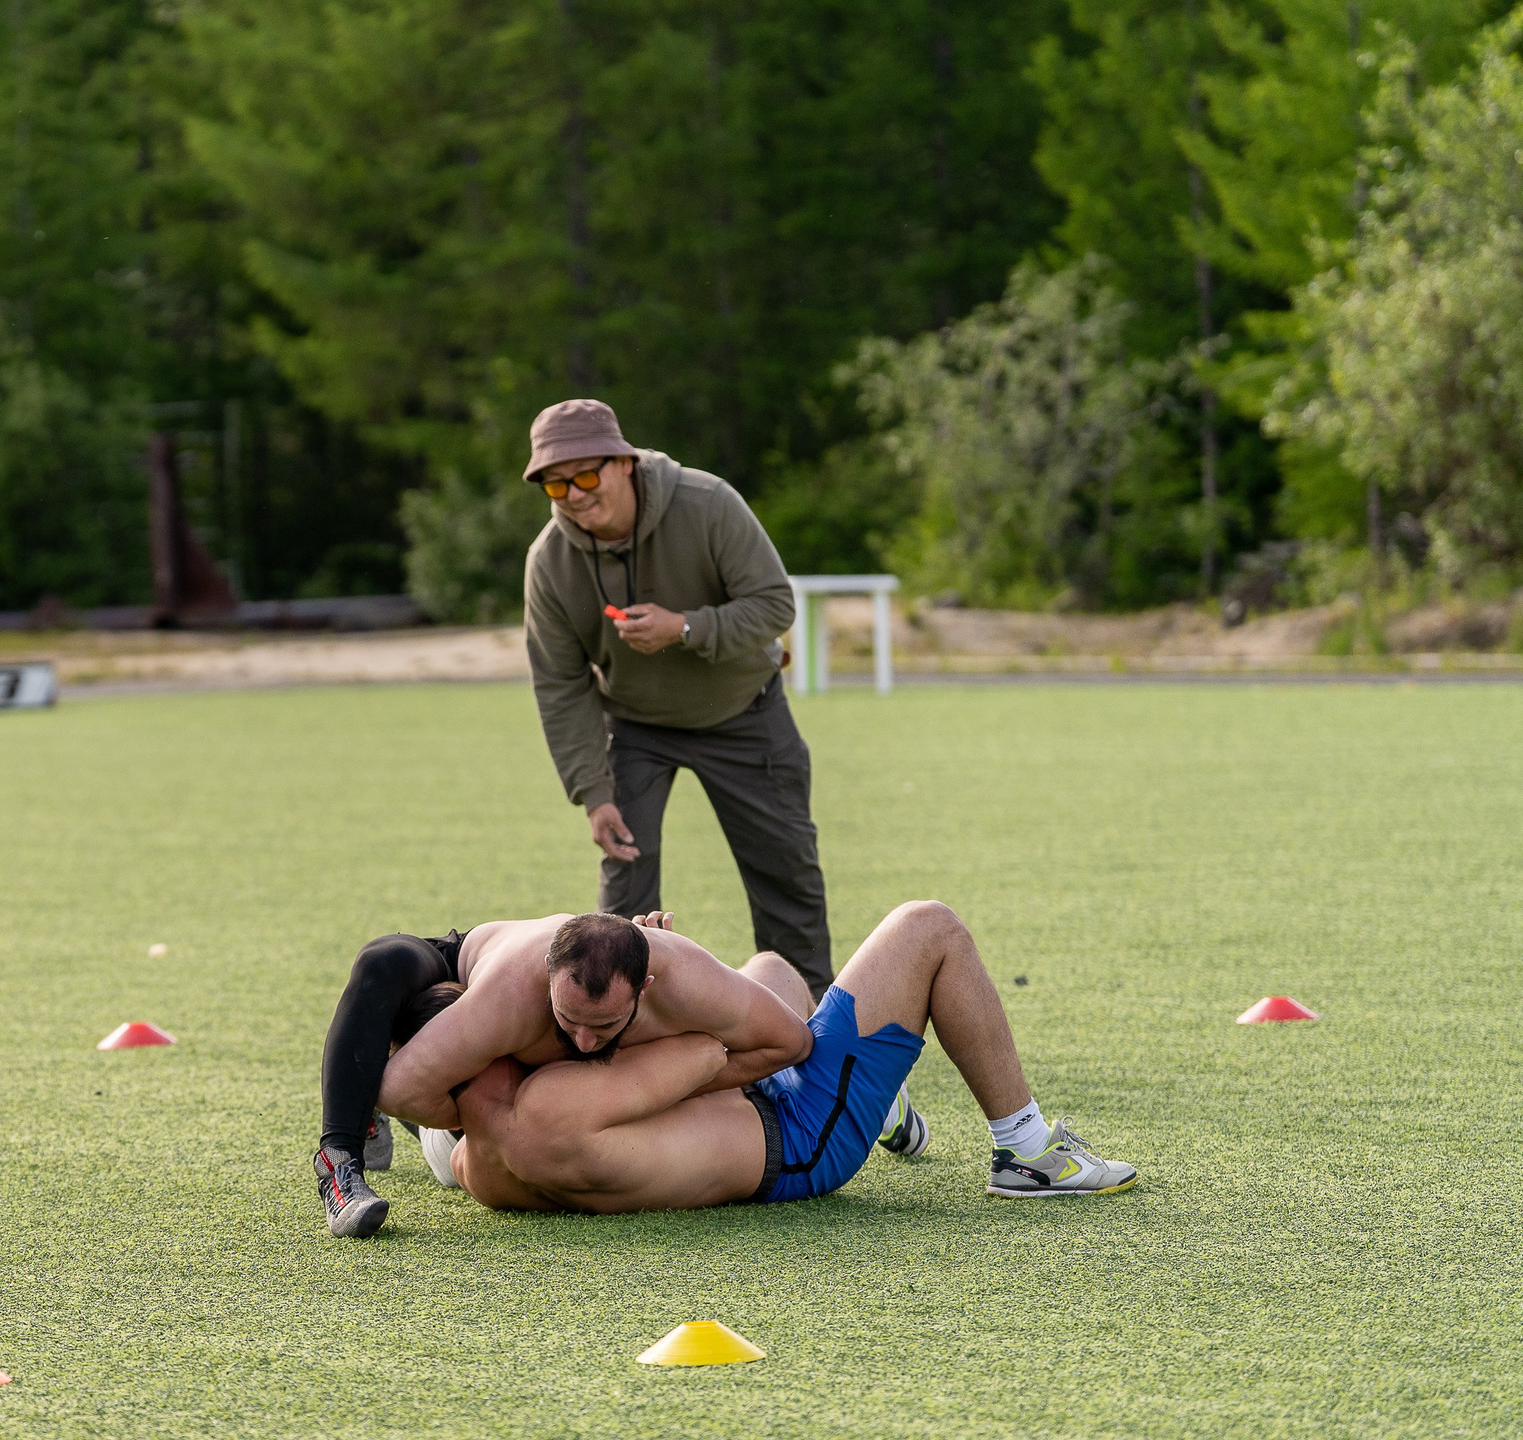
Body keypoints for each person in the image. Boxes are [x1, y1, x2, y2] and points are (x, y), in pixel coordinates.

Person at [390, 906, 1136, 1216]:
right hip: (803, 1133)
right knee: (928, 929)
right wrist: (675, 992)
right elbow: (714, 1053)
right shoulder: (547, 1109)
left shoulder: (481, 1170)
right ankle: (1027, 1152)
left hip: (759, 1123)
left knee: (771, 966)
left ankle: (883, 1095)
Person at [312, 912, 930, 1238]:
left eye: (601, 1029)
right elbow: (409, 1085)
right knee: (382, 963)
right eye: (567, 1027)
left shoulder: (606, 992)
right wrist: (695, 1058)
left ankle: (881, 1103)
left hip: (521, 1084)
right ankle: (340, 1153)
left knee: (768, 970)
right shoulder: (504, 1071)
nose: (581, 1044)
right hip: (488, 1086)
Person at [520, 399, 830, 998]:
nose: (574, 495)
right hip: (635, 727)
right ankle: (623, 1019)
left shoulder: (707, 503)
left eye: (586, 475)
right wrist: (593, 793)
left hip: (745, 710)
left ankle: (810, 1023)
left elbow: (775, 605)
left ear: (624, 463)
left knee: (785, 875)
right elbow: (560, 683)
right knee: (624, 892)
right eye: (556, 484)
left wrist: (686, 628)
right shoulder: (549, 563)